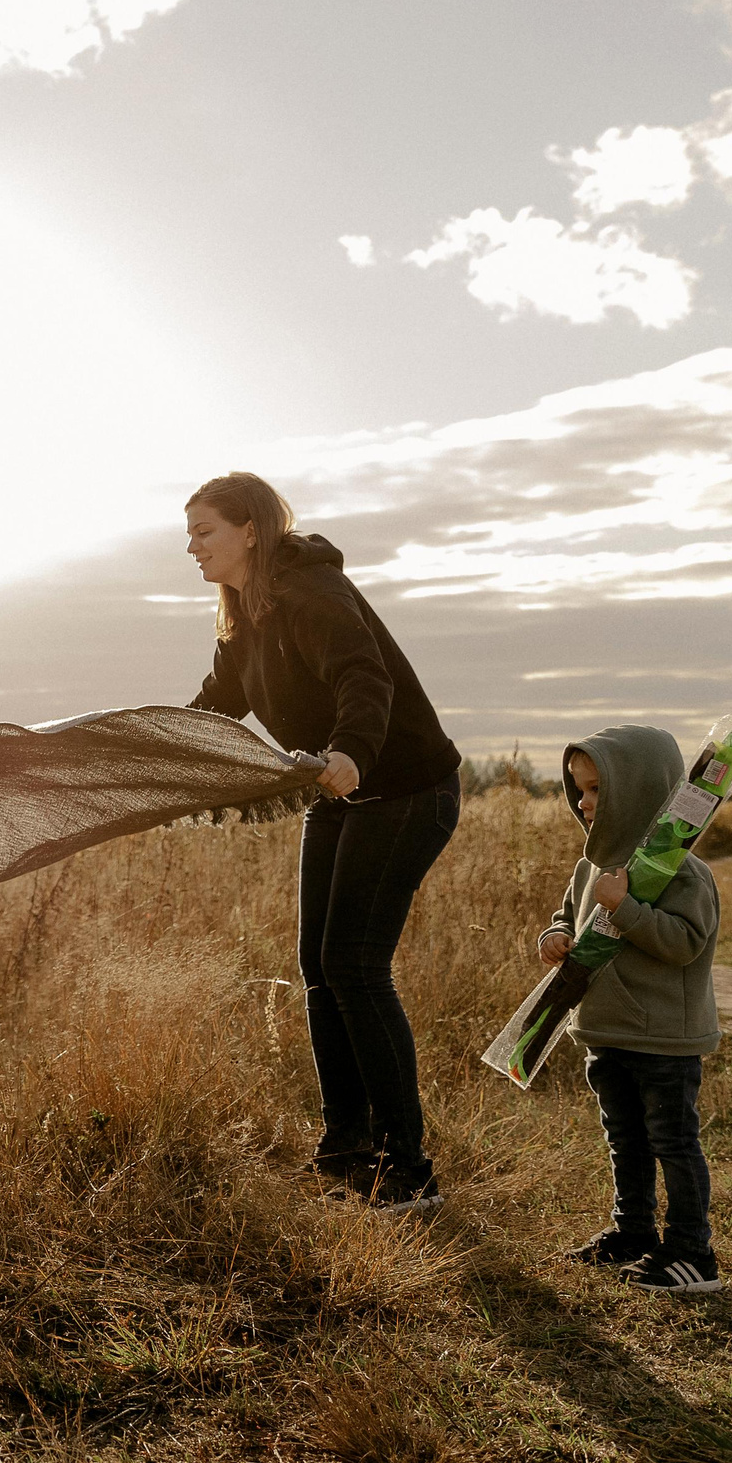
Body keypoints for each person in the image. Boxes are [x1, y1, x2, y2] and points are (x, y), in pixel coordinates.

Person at [184, 472, 463, 1210]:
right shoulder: (242, 616)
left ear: (250, 529)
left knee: (355, 965)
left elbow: (363, 678)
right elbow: (216, 707)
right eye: (189, 535)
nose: (192, 548)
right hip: (340, 795)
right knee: (318, 967)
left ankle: (409, 1168)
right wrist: (157, 752)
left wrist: (350, 751)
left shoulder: (311, 592)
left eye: (204, 531)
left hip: (404, 789)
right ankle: (346, 1150)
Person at [540, 728, 724, 1293]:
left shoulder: (681, 871)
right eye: (579, 791)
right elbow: (570, 916)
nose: (583, 803)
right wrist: (555, 934)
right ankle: (633, 1232)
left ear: (641, 790)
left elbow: (685, 943)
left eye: (596, 789)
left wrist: (626, 910)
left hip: (664, 1037)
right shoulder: (590, 866)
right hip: (606, 1030)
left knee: (672, 1142)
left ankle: (692, 1252)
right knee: (625, 1139)